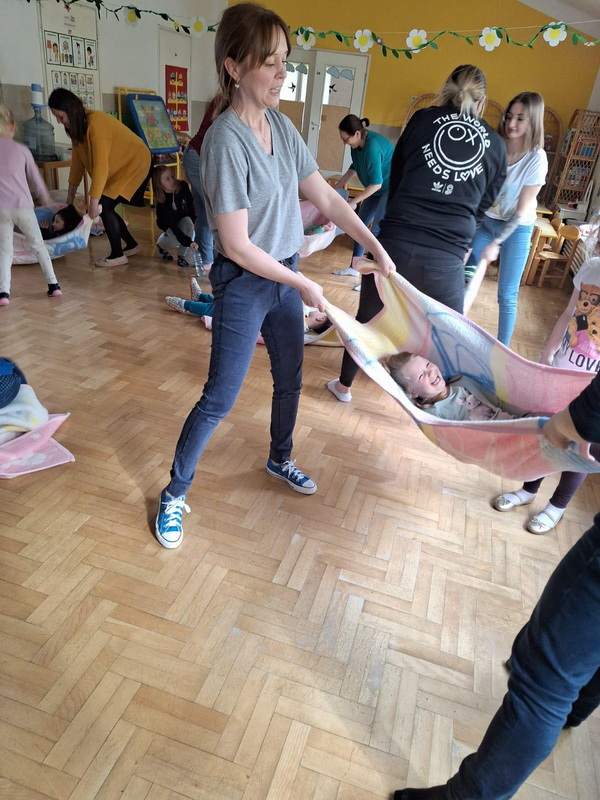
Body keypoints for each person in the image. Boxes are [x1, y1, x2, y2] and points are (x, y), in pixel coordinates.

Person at [154, 2, 394, 549]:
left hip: (285, 272)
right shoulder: (224, 141)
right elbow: (237, 245)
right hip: (244, 284)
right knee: (220, 397)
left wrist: (375, 244)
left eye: (286, 60)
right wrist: (303, 285)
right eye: (271, 62)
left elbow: (326, 196)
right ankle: (174, 492)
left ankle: (279, 458)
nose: (283, 73)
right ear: (234, 67)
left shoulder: (282, 128)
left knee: (290, 379)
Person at [394, 371, 600, 800]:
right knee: (567, 668)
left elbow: (575, 425)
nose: (431, 374)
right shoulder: (442, 402)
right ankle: (577, 708)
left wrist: (567, 421)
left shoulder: (464, 383)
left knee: (543, 684)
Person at [327, 65, 506, 404]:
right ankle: (440, 408)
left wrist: (394, 222)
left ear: (445, 91)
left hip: (396, 244)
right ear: (483, 102)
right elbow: (483, 205)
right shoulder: (495, 143)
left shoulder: (422, 120)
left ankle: (344, 387)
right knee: (450, 336)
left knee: (367, 320)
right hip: (447, 256)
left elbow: (397, 178)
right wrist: (463, 241)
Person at [491, 220, 600, 533]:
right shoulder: (591, 267)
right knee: (547, 431)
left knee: (581, 447)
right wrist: (548, 353)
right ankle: (528, 489)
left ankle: (557, 506)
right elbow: (568, 314)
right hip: (563, 368)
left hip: (593, 387)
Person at [466, 92, 548, 345]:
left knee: (507, 295)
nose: (512, 123)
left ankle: (502, 349)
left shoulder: (536, 158)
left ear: (533, 121)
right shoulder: (495, 145)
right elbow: (477, 191)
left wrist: (497, 242)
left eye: (520, 119)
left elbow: (521, 211)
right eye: (509, 116)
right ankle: (450, 332)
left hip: (517, 229)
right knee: (465, 277)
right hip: (486, 222)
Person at [48, 88, 151, 268]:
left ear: (70, 110)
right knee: (105, 205)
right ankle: (132, 245)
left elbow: (101, 165)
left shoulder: (96, 124)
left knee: (105, 204)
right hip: (119, 167)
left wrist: (94, 201)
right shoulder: (77, 128)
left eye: (60, 117)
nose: (59, 121)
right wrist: (70, 196)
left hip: (135, 161)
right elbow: (78, 162)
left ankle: (117, 255)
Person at [0, 104, 61, 306]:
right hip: (23, 208)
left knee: (5, 251)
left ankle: (4, 293)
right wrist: (46, 199)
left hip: (1, 210)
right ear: (12, 127)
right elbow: (36, 179)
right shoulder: (22, 150)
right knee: (38, 245)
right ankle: (53, 285)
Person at [331, 115, 393, 277]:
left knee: (376, 230)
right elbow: (354, 167)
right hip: (375, 188)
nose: (345, 143)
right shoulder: (355, 146)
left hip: (389, 188)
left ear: (357, 134)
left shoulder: (372, 147)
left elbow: (377, 184)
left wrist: (353, 202)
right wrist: (336, 187)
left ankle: (372, 276)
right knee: (359, 226)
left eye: (346, 139)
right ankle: (354, 268)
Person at [387, 352, 531, 421]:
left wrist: (526, 415)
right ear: (413, 393)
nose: (430, 372)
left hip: (516, 423)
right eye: (420, 376)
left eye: (428, 364)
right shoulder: (433, 414)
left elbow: (499, 403)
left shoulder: (463, 380)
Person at [183, 97, 218, 271]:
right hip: (198, 158)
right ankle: (208, 261)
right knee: (213, 211)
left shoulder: (227, 99)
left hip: (197, 156)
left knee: (205, 213)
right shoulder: (228, 100)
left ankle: (205, 260)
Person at [152, 166, 197, 267]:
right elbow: (173, 227)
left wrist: (194, 221)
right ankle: (161, 245)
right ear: (159, 184)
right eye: (167, 179)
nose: (172, 181)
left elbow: (190, 204)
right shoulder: (163, 204)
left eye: (172, 177)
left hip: (183, 217)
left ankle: (181, 256)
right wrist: (189, 243)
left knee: (188, 228)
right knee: (175, 239)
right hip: (169, 223)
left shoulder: (183, 186)